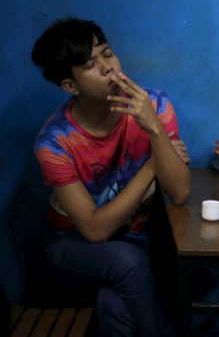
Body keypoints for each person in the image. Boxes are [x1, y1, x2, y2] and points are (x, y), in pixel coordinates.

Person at [31, 18, 191, 337]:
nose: (108, 67)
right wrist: (151, 167)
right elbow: (93, 229)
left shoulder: (155, 106)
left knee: (116, 303)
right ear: (70, 86)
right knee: (127, 262)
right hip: (69, 246)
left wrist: (154, 128)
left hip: (133, 239)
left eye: (107, 52)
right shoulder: (55, 142)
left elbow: (181, 193)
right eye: (91, 63)